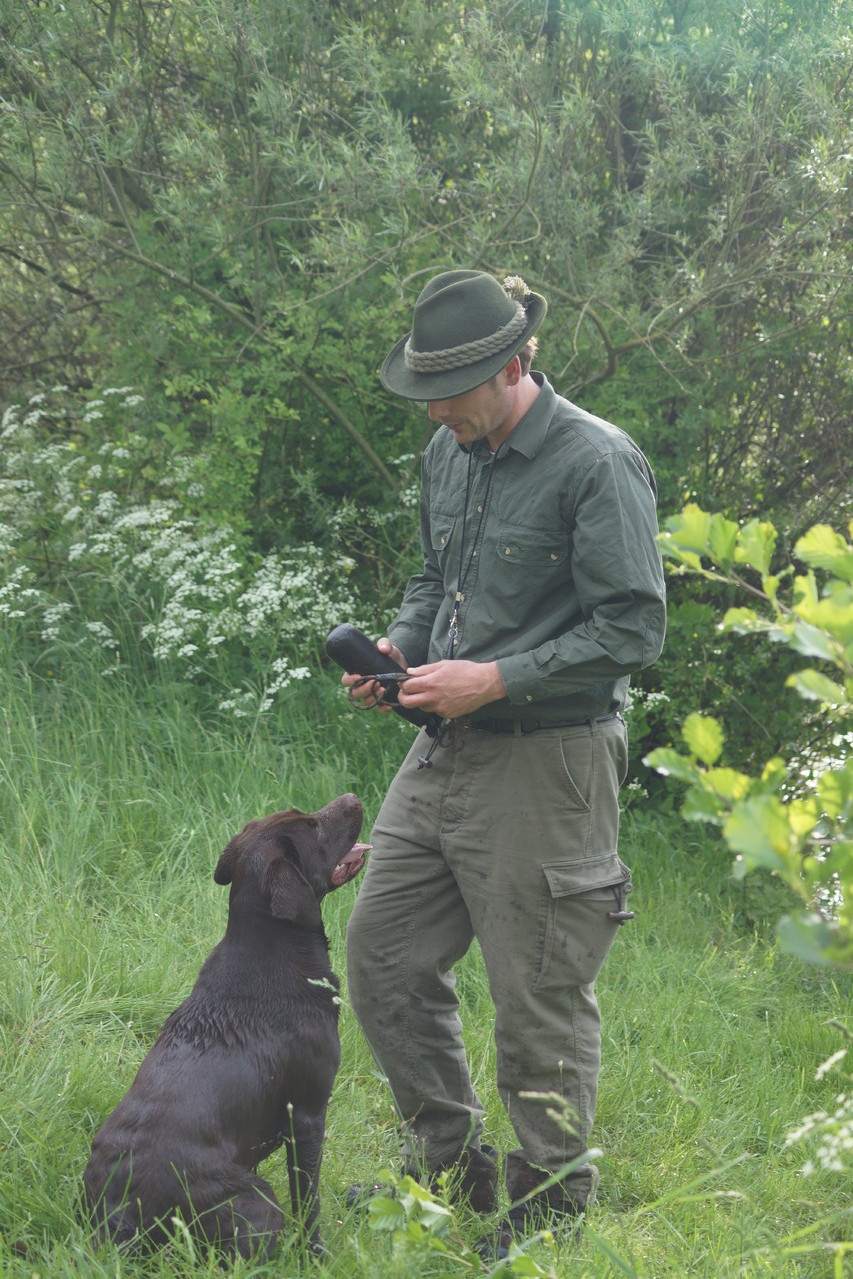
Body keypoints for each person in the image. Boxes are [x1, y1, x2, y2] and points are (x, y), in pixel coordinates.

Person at [342, 269, 666, 1259]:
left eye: (454, 391)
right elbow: (434, 575)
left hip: (551, 763)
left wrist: (496, 677)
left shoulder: (595, 461)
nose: (435, 410)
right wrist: (399, 655)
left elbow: (635, 627)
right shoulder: (449, 450)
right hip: (442, 751)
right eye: (426, 393)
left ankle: (550, 1207)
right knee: (381, 954)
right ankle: (447, 1164)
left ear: (516, 365)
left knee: (538, 992)